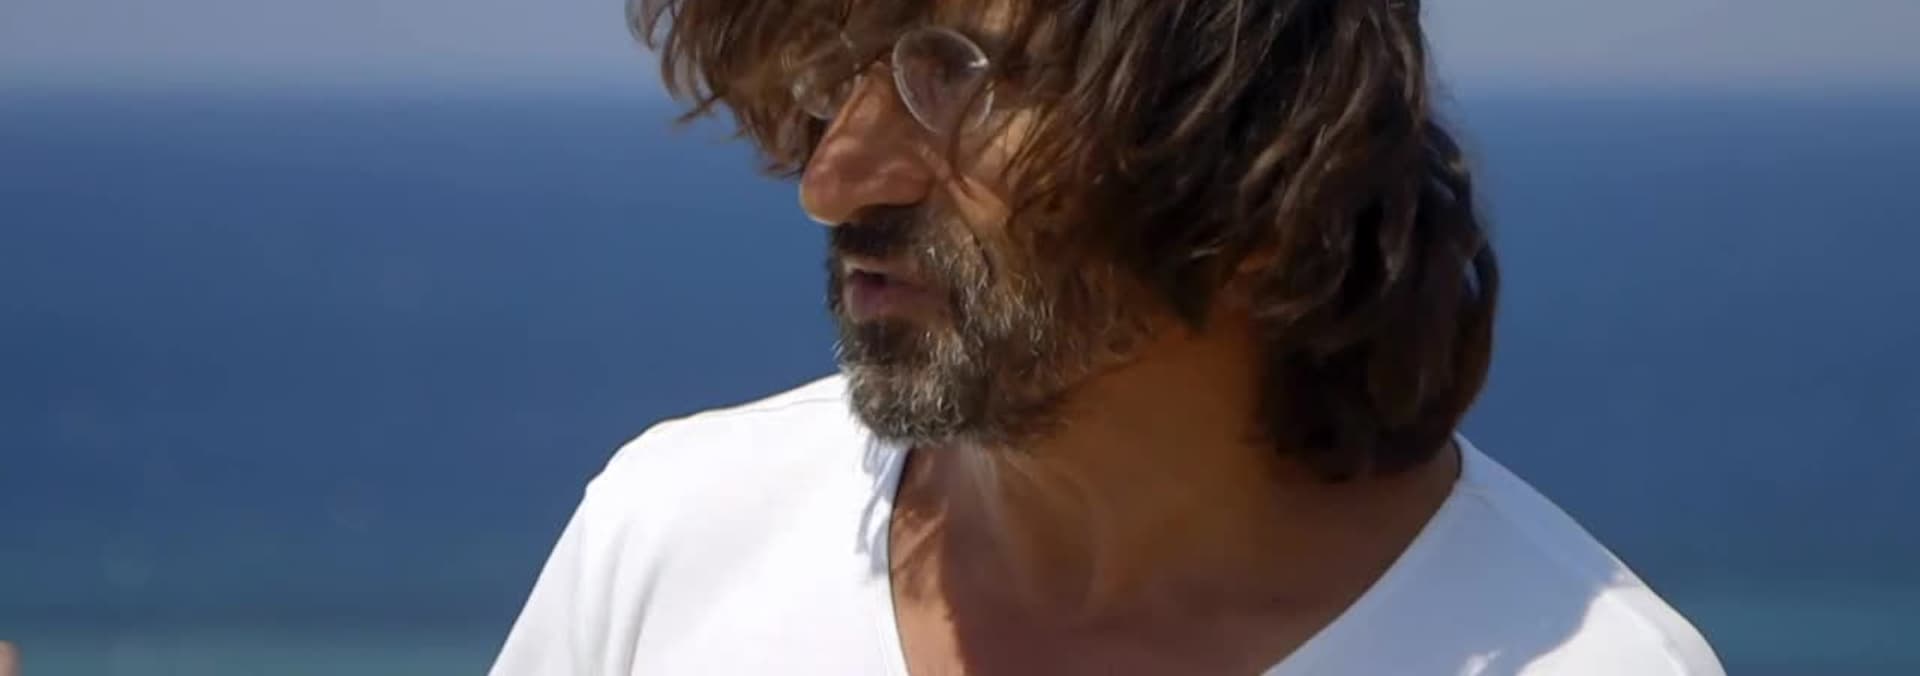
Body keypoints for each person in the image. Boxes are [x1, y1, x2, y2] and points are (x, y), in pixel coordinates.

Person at [492, 0, 1724, 673]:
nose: (836, 180)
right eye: (839, 76)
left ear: (1263, 151)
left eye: (959, 78)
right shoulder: (675, 536)